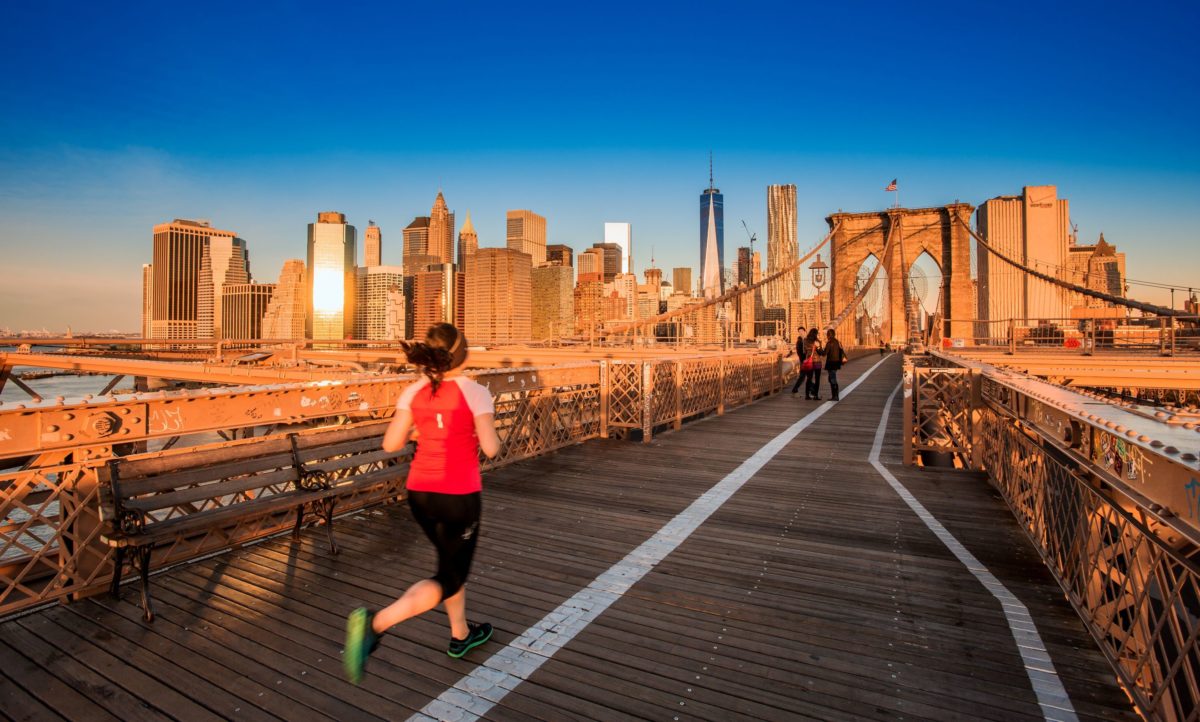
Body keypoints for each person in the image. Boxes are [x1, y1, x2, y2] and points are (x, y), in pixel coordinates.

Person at [344, 323, 502, 685]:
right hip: (458, 498)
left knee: (450, 563)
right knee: (448, 576)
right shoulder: (475, 393)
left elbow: (390, 444)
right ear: (462, 354)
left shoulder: (413, 391)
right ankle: (376, 623)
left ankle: (460, 635)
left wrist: (422, 429)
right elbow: (492, 448)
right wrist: (480, 430)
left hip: (420, 495)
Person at [823, 328, 848, 401]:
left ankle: (835, 396)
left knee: (832, 379)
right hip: (836, 363)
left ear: (828, 335)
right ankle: (835, 395)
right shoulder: (838, 342)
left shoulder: (829, 343)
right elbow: (841, 351)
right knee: (832, 379)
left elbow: (824, 353)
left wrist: (818, 348)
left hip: (831, 363)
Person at [802, 328, 823, 400]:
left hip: (809, 361)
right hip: (817, 362)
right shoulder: (817, 341)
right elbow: (821, 353)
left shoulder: (805, 341)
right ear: (816, 334)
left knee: (809, 379)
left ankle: (807, 395)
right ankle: (816, 396)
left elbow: (804, 352)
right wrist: (818, 347)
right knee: (817, 379)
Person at [790, 327, 807, 394]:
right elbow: (799, 351)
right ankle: (795, 389)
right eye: (799, 332)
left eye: (801, 331)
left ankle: (795, 389)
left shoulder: (807, 339)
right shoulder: (799, 341)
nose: (800, 333)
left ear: (805, 331)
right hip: (803, 360)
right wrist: (802, 359)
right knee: (803, 376)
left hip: (808, 360)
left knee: (804, 376)